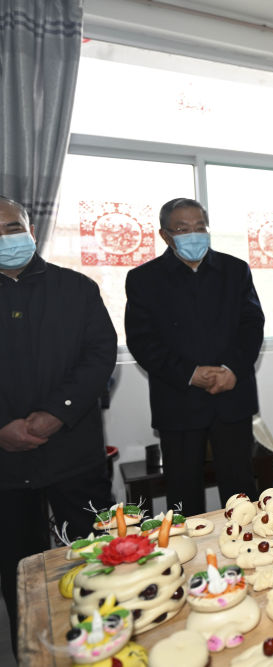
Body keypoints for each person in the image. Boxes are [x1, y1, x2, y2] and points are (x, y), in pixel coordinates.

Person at [0, 195, 117, 646]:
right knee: (20, 573)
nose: (6, 238)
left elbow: (99, 356)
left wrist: (57, 413)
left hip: (73, 454)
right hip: (7, 466)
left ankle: (106, 642)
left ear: (30, 230)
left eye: (12, 227)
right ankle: (32, 649)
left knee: (95, 562)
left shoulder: (77, 288)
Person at [125, 198, 264, 515]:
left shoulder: (235, 270)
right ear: (165, 235)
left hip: (231, 396)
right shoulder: (144, 278)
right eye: (182, 229)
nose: (193, 234)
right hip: (178, 399)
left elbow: (252, 325)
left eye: (200, 227)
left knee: (241, 490)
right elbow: (142, 341)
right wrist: (189, 373)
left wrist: (232, 369)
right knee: (183, 492)